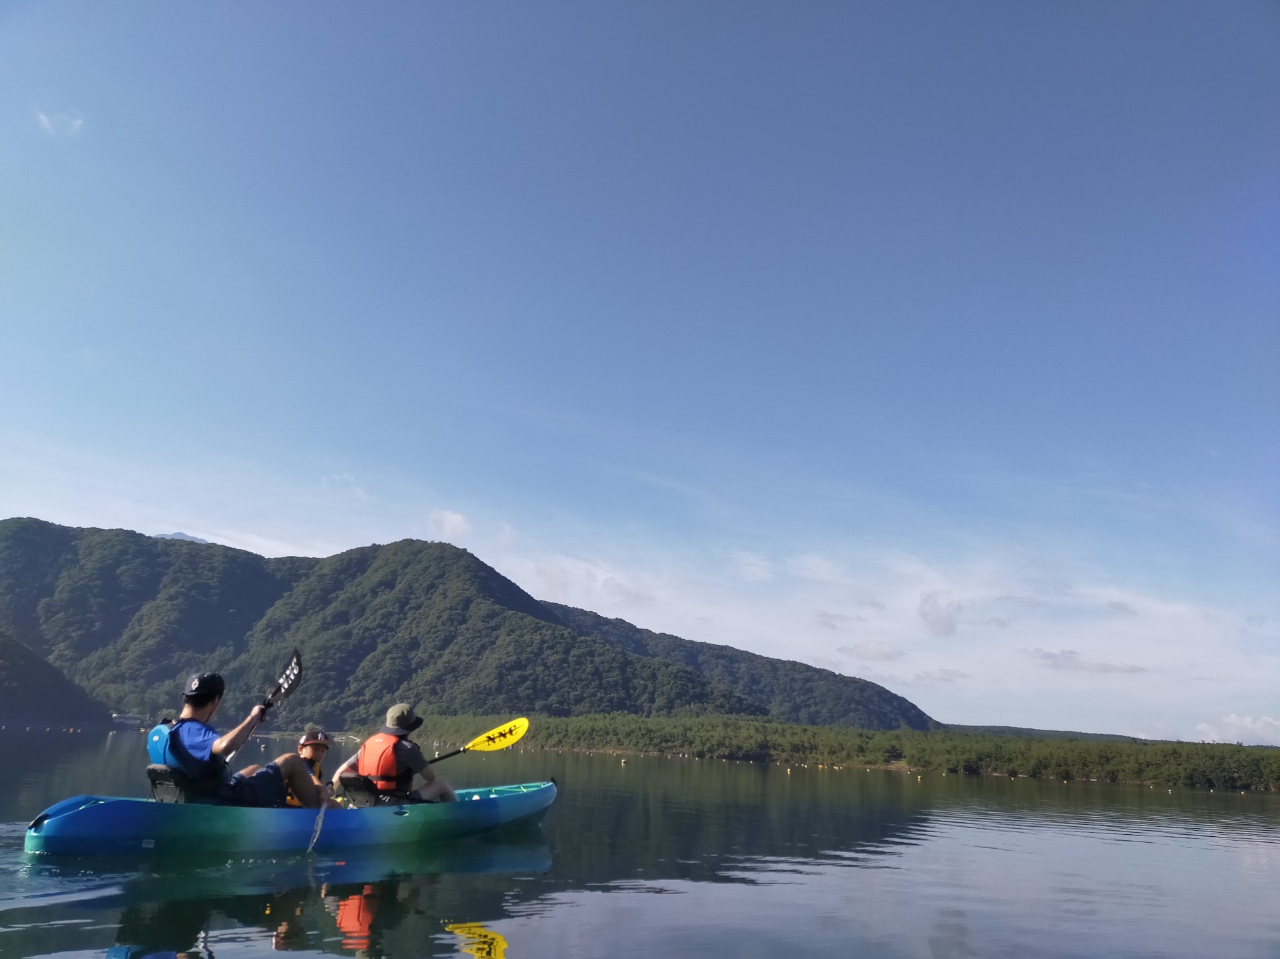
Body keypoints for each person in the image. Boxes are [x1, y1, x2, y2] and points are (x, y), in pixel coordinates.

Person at [146, 672, 325, 808]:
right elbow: (225, 746)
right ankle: (319, 818)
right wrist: (252, 716)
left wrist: (252, 723)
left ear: (186, 697)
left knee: (254, 769)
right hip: (220, 800)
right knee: (291, 761)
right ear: (216, 700)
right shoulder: (194, 730)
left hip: (191, 796)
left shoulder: (164, 729)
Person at [331, 703, 456, 802]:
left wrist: (331, 791)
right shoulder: (408, 748)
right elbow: (430, 777)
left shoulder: (369, 744)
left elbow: (341, 771)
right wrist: (413, 769)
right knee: (441, 783)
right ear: (410, 727)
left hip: (365, 801)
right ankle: (459, 814)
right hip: (393, 803)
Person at [287, 728, 342, 808]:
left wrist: (328, 789)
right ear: (301, 749)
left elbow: (321, 788)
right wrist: (323, 790)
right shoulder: (299, 763)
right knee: (334, 805)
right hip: (288, 807)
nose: (319, 754)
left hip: (303, 807)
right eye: (315, 749)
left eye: (323, 751)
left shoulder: (316, 767)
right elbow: (310, 776)